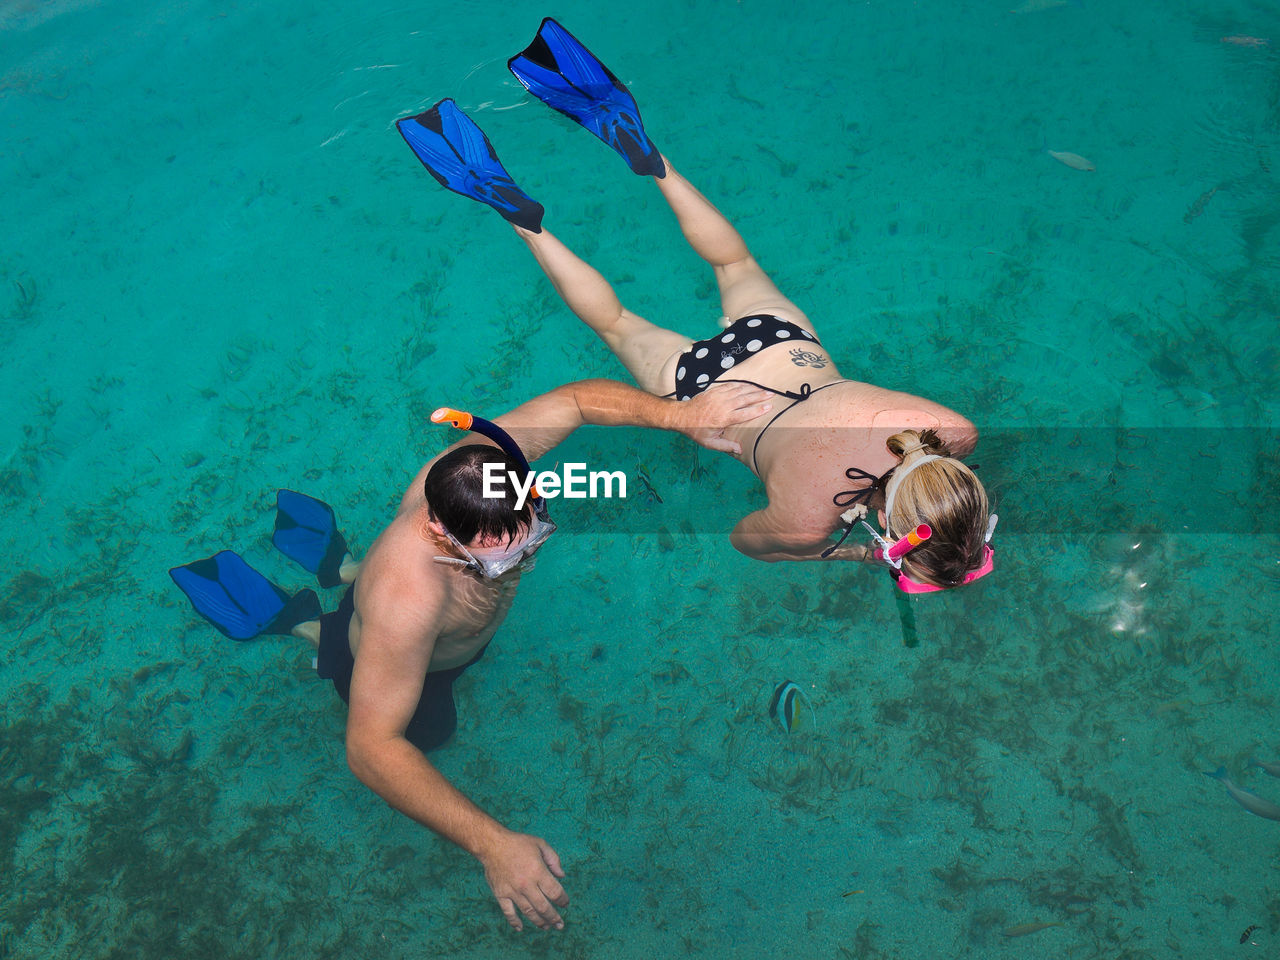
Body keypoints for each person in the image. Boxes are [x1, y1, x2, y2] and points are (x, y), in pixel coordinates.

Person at [398, 18, 997, 593]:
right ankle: (520, 219)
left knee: (733, 264)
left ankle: (651, 159)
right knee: (616, 321)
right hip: (710, 396)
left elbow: (932, 466)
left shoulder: (953, 432)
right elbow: (745, 540)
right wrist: (855, 550)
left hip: (784, 345)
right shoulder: (811, 518)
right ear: (896, 534)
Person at [170, 377, 771, 932]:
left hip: (427, 617)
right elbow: (371, 749)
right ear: (441, 533)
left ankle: (342, 567)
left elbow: (577, 402)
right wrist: (492, 843)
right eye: (500, 556)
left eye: (533, 530)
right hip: (395, 645)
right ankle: (301, 622)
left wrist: (677, 415)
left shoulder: (486, 468)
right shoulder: (408, 606)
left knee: (380, 592)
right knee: (429, 730)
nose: (524, 554)